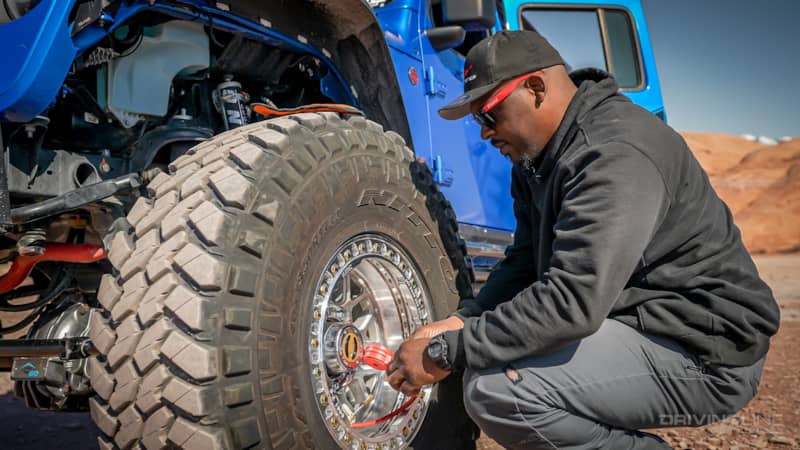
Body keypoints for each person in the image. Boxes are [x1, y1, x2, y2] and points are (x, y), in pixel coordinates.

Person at [385, 30, 780, 449]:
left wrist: (446, 352)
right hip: (642, 322)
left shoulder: (614, 153)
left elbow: (572, 302)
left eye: (488, 115)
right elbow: (522, 261)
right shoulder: (537, 159)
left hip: (706, 351)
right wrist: (464, 319)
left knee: (500, 392)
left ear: (535, 87)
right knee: (489, 363)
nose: (484, 133)